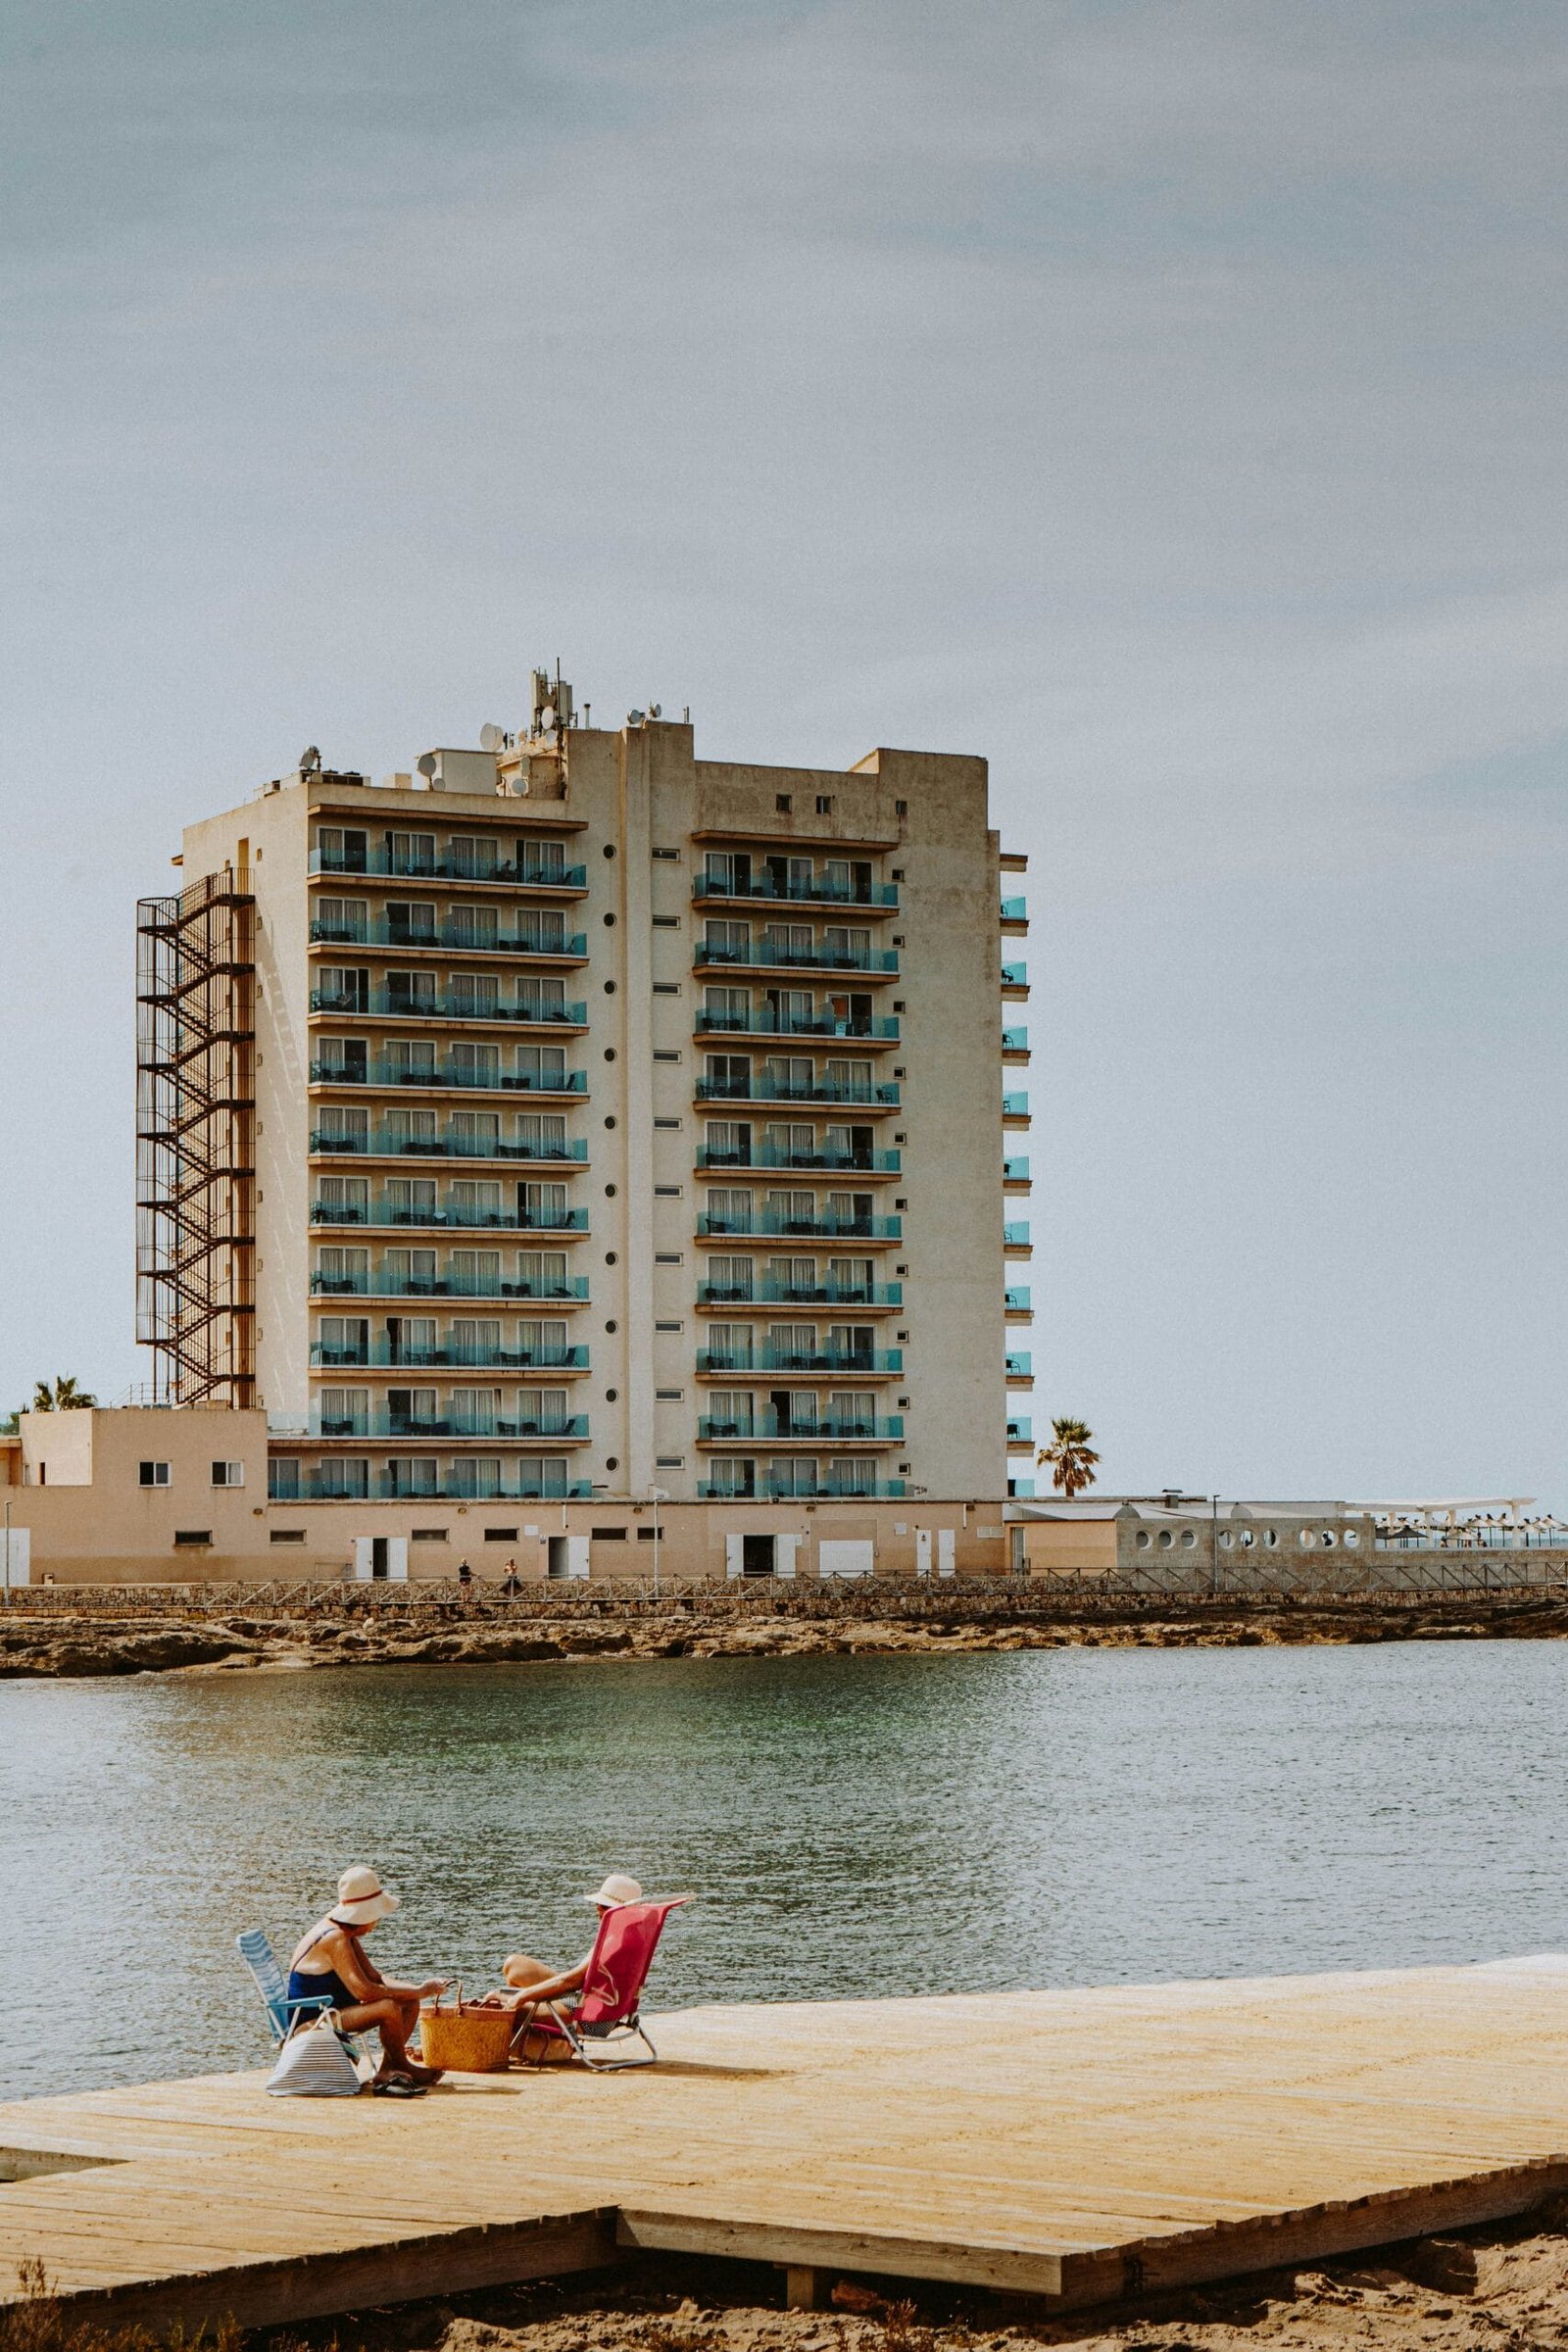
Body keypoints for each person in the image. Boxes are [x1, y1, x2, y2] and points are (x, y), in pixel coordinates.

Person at [288, 1866, 447, 2096]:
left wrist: (417, 1990)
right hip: (313, 2022)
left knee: (409, 2002)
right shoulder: (335, 1938)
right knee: (388, 2007)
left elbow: (375, 1977)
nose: (376, 1923)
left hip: (332, 2012)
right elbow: (363, 1991)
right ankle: (398, 2065)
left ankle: (389, 2068)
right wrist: (416, 1992)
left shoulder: (344, 1934)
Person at [482, 1874, 643, 2055]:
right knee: (514, 1966)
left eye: (605, 1906)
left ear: (622, 1912)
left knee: (492, 2004)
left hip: (588, 2016)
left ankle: (552, 2042)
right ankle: (538, 2032)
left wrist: (522, 1996)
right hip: (595, 2004)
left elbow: (572, 1981)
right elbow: (578, 1979)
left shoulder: (614, 1942)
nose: (597, 1907)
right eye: (599, 1903)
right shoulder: (633, 1934)